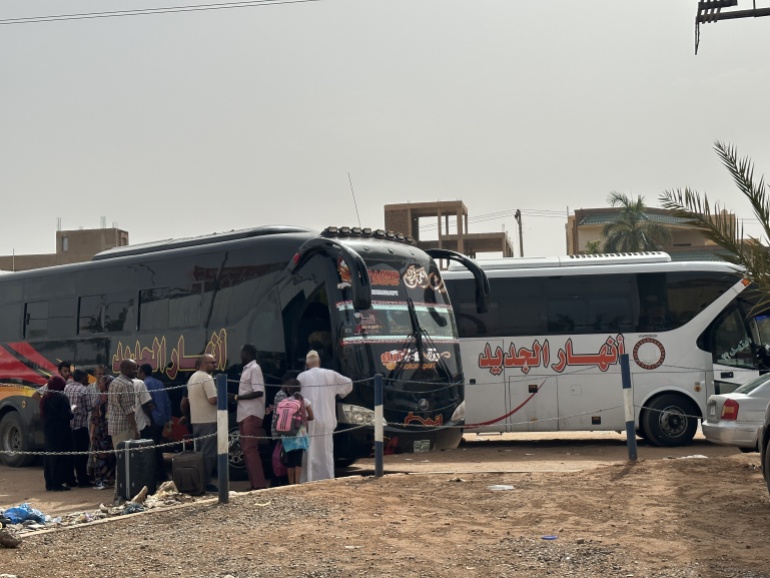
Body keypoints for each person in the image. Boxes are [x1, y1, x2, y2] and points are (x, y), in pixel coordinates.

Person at [297, 350, 353, 482]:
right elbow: (348, 383)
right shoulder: (330, 374)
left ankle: (308, 479)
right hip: (327, 419)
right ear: (319, 362)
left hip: (309, 420)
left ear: (307, 363)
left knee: (308, 451)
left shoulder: (301, 377)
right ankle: (327, 478)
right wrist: (338, 393)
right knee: (326, 451)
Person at [232, 344, 268, 490]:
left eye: (242, 353)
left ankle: (259, 485)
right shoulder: (247, 369)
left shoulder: (255, 368)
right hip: (244, 413)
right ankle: (254, 484)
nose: (240, 356)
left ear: (247, 353)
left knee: (250, 449)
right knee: (246, 450)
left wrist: (236, 397)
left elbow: (258, 391)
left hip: (251, 413)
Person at [108, 359, 141, 504]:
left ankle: (119, 494)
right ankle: (120, 496)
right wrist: (135, 429)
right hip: (124, 428)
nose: (136, 371)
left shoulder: (114, 382)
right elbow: (129, 411)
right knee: (126, 463)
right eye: (134, 369)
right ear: (126, 370)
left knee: (120, 462)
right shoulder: (127, 385)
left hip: (114, 427)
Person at [184, 354, 218, 493]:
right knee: (208, 454)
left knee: (199, 453)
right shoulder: (207, 378)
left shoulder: (192, 377)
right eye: (212, 362)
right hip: (208, 420)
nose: (215, 365)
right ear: (204, 363)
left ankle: (197, 482)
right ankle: (205, 482)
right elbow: (212, 400)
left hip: (196, 420)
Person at [271, 377, 313, 485]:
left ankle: (290, 483)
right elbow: (311, 417)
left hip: (287, 433)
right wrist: (301, 420)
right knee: (298, 459)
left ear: (289, 390)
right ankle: (297, 483)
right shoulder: (304, 401)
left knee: (289, 459)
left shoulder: (285, 401)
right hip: (300, 433)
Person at [138, 364, 172, 482]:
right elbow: (167, 401)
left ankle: (159, 475)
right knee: (157, 447)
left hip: (152, 420)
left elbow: (146, 404)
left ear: (142, 372)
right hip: (161, 419)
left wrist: (150, 419)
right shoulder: (159, 383)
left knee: (152, 449)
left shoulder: (144, 384)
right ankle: (162, 474)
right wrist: (167, 420)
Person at [40, 376, 74, 492]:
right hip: (60, 431)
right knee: (60, 457)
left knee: (50, 457)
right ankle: (57, 483)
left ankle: (49, 483)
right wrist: (72, 411)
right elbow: (67, 415)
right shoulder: (62, 397)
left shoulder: (45, 398)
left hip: (48, 430)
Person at [65, 369, 94, 487]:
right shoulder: (84, 390)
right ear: (81, 378)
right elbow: (89, 408)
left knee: (71, 454)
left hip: (69, 425)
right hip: (81, 426)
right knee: (82, 455)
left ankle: (71, 480)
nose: (87, 379)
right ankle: (83, 480)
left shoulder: (67, 388)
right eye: (86, 377)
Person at [90, 375, 115, 490]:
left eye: (101, 383)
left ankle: (101, 480)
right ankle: (110, 480)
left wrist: (91, 432)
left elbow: (94, 418)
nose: (99, 385)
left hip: (100, 433)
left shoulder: (99, 398)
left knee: (100, 457)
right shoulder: (113, 397)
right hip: (111, 430)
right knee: (110, 456)